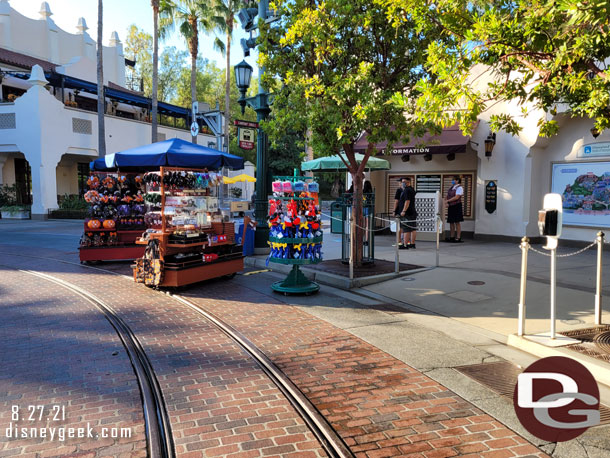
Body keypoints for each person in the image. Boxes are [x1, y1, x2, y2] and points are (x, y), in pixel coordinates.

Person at [398, 177, 417, 249]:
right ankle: (412, 244)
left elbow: (407, 201)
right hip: (412, 211)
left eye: (404, 182)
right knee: (413, 228)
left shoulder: (407, 190)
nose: (402, 183)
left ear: (408, 182)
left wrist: (404, 211)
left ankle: (405, 244)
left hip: (408, 213)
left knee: (406, 228)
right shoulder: (412, 189)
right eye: (402, 181)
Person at [445, 176, 464, 243]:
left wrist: (448, 201)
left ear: (457, 181)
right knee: (451, 222)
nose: (452, 181)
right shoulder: (452, 187)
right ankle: (452, 237)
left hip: (457, 206)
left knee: (457, 222)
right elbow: (447, 196)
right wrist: (446, 202)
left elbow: (457, 197)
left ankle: (458, 237)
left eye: (453, 180)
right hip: (451, 206)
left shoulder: (460, 188)